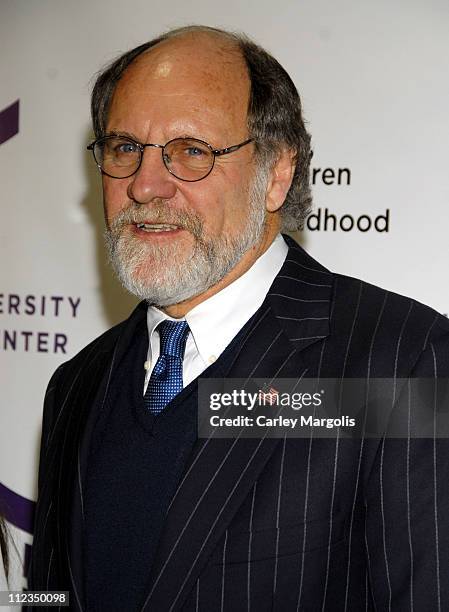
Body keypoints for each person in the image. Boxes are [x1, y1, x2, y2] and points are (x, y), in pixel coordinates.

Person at [29, 25, 449, 611]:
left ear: (276, 173)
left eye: (191, 152)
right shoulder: (75, 385)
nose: (145, 186)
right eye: (125, 148)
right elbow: (49, 595)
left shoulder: (399, 364)